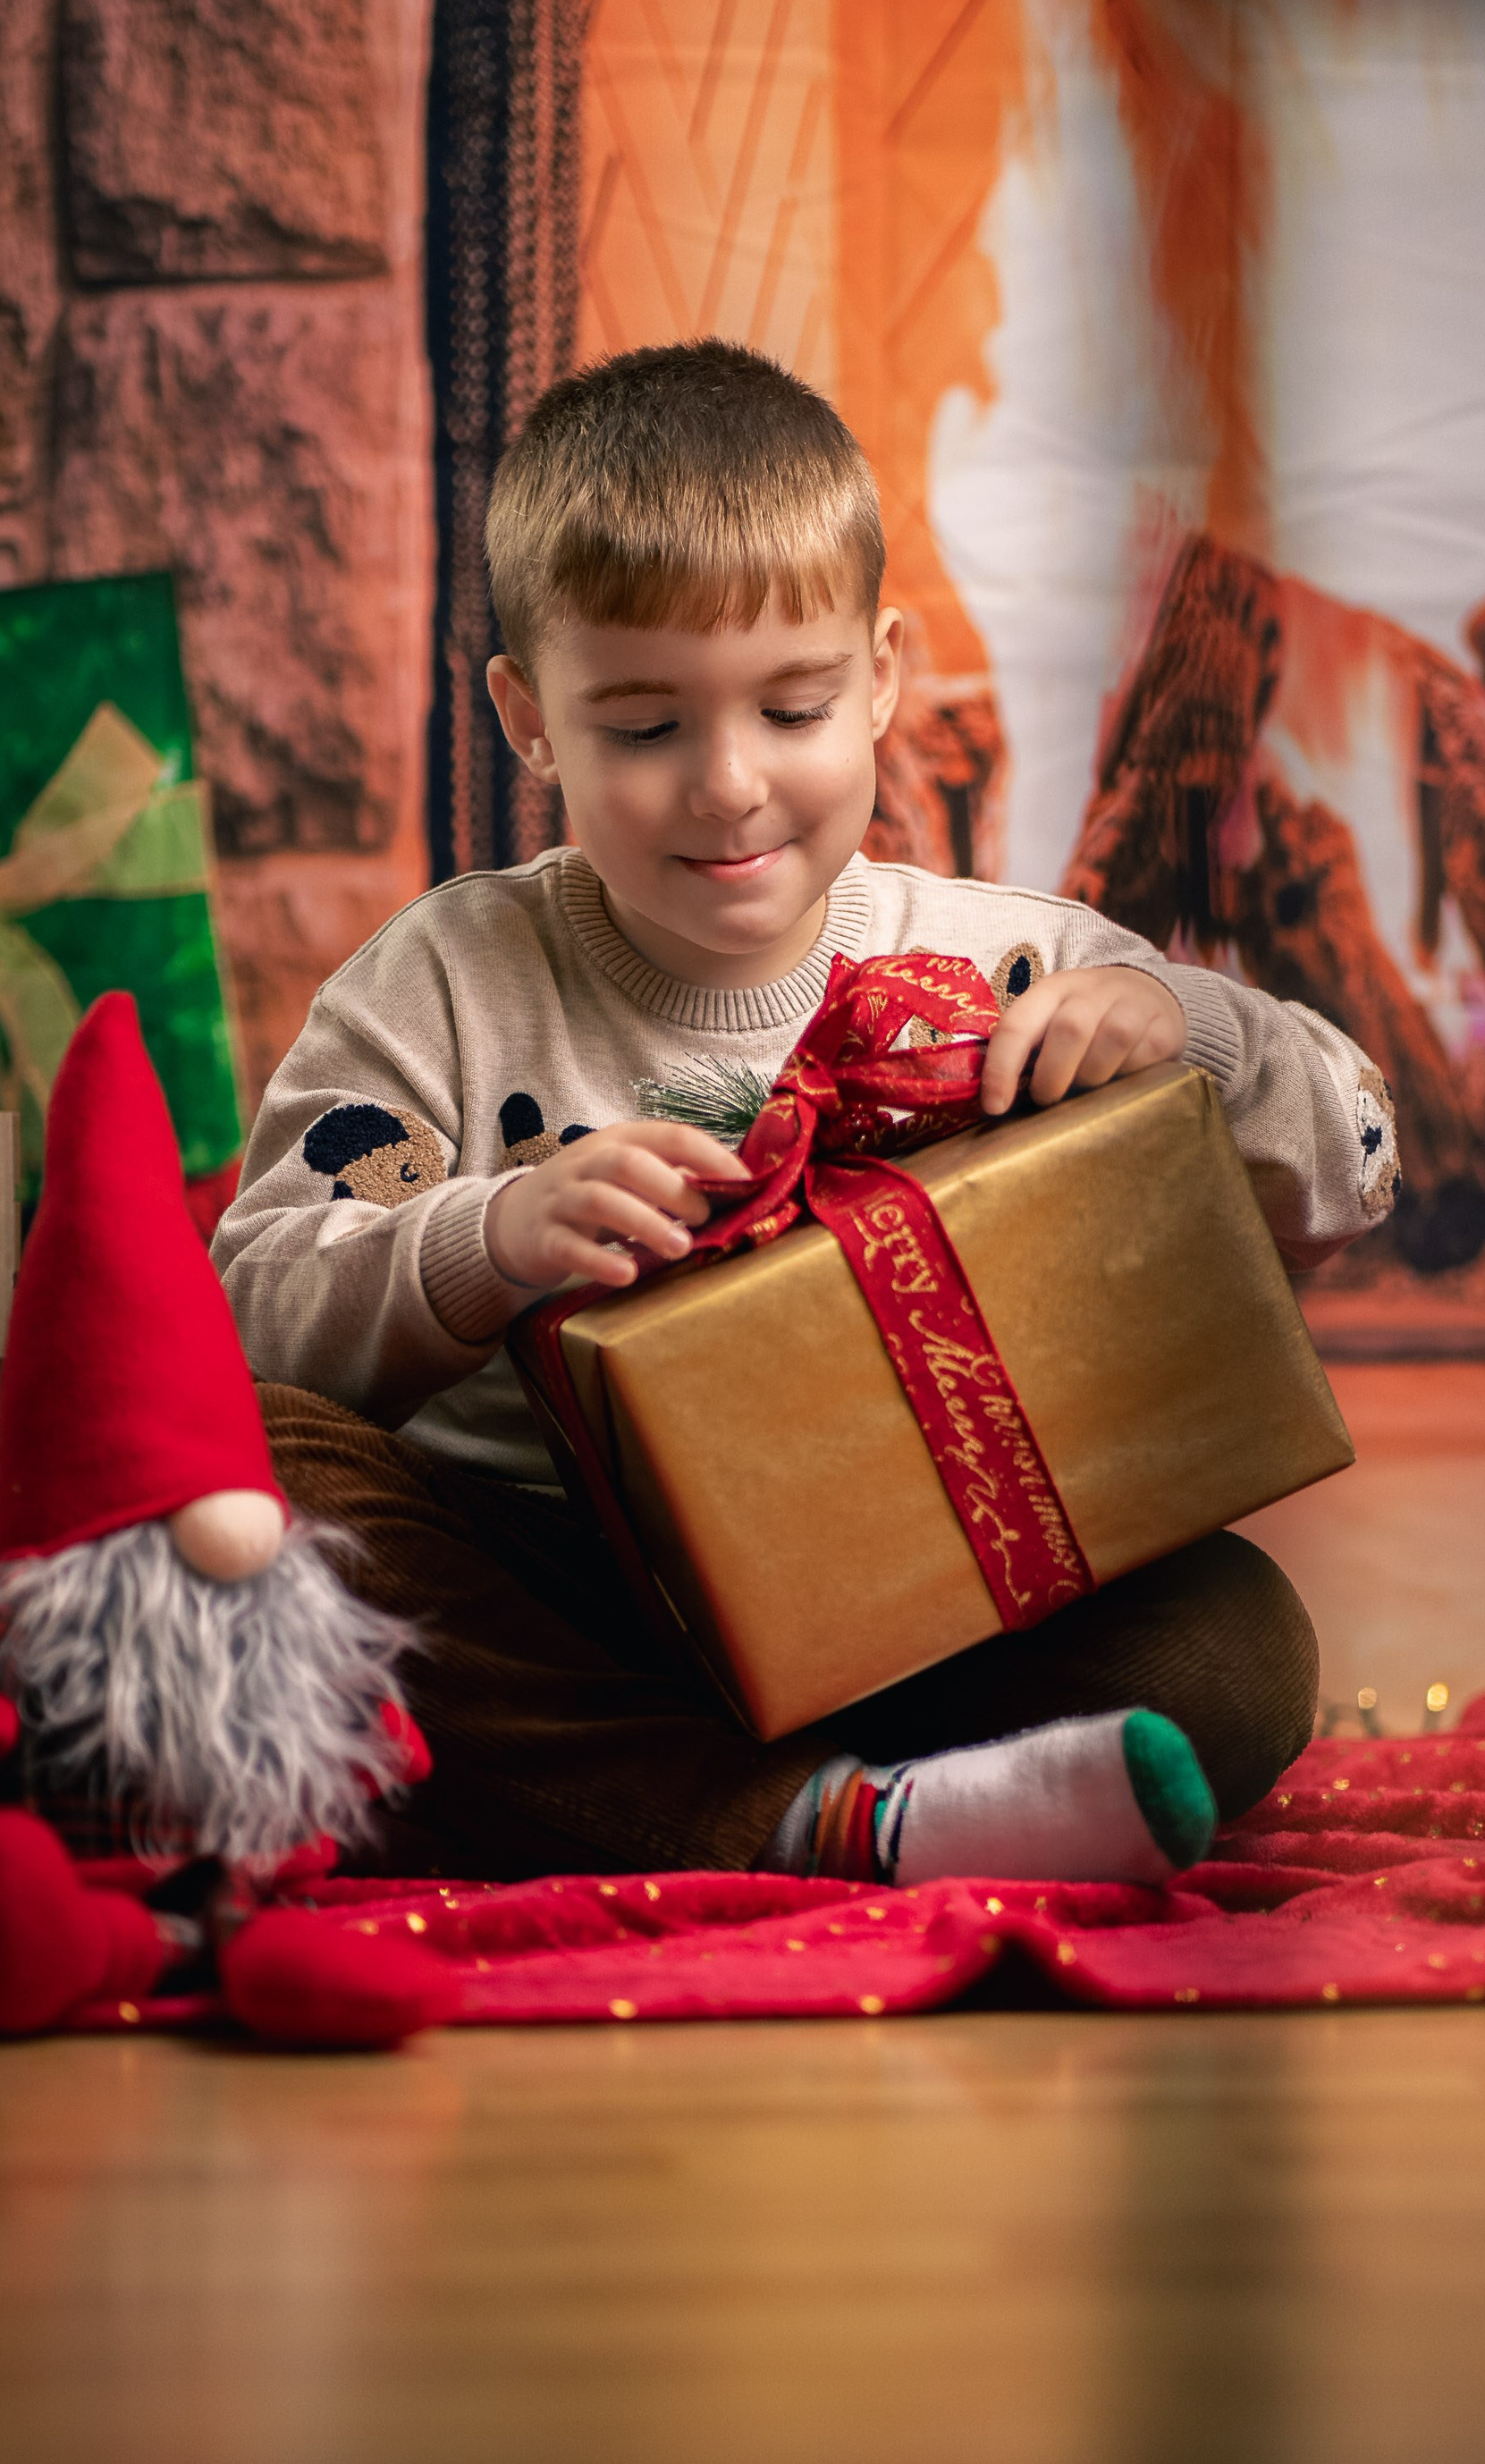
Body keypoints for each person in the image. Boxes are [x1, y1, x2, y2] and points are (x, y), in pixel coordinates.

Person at [213, 341, 1400, 1890]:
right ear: (527, 716)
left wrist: (1204, 1035)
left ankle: (625, 1799)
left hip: (932, 1594)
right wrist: (482, 1243)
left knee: (1238, 1651)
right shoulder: (442, 979)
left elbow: (1357, 1162)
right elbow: (249, 1315)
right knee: (248, 1474)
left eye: (793, 708)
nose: (727, 785)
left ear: (885, 675)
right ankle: (806, 1824)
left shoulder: (1014, 958)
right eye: (644, 729)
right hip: (550, 1583)